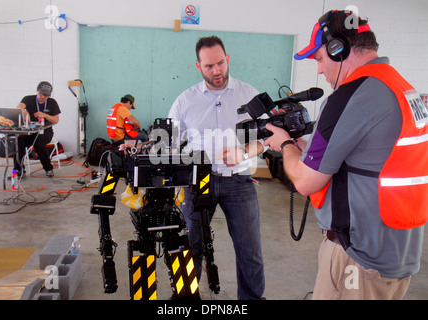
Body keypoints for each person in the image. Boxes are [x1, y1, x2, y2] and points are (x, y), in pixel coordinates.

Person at [264, 10, 427, 299]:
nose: (318, 69)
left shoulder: (349, 96)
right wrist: (303, 146)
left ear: (338, 50)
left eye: (319, 58)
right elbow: (367, 159)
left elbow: (305, 182)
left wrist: (285, 145)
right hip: (400, 252)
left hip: (358, 258)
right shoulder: (403, 88)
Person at [168, 36, 266, 300]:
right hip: (197, 183)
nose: (217, 71)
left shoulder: (250, 95)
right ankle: (185, 302)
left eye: (220, 63)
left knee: (250, 251)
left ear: (228, 59)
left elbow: (268, 138)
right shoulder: (184, 101)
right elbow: (168, 141)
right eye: (209, 66)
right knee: (191, 248)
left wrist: (243, 151)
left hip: (240, 182)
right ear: (198, 66)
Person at [14, 81, 61, 177]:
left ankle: (48, 168)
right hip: (30, 130)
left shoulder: (52, 102)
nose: (42, 97)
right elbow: (19, 107)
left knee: (39, 143)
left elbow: (56, 120)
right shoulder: (28, 99)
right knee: (19, 141)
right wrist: (24, 111)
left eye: (45, 95)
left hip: (45, 131)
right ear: (37, 91)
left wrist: (44, 115)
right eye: (40, 94)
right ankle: (18, 169)